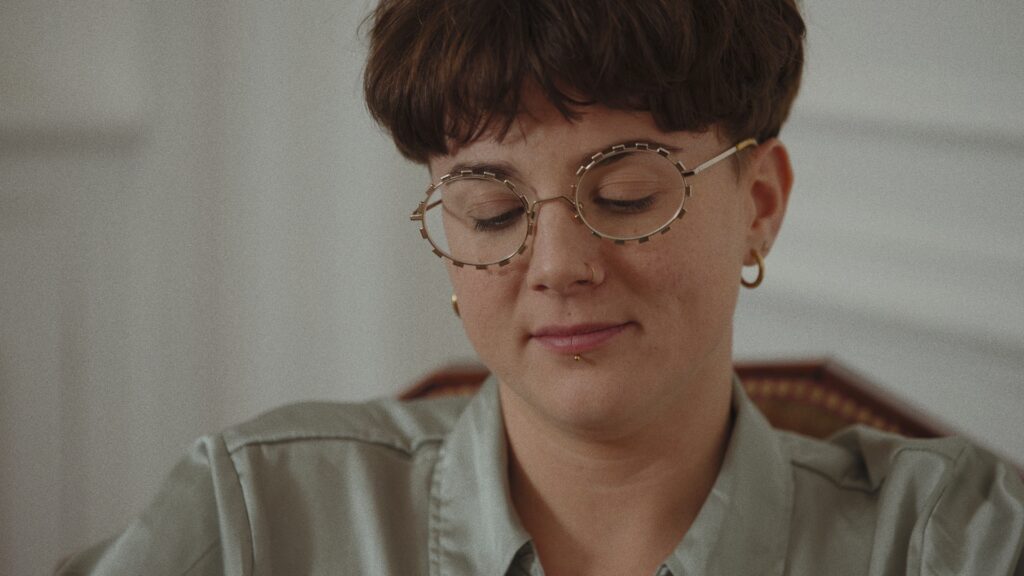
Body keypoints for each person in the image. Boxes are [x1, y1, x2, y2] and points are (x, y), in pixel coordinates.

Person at [58, 0, 1024, 574]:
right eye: (490, 211)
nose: (558, 264)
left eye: (628, 194)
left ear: (760, 202)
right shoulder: (259, 521)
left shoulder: (949, 544)